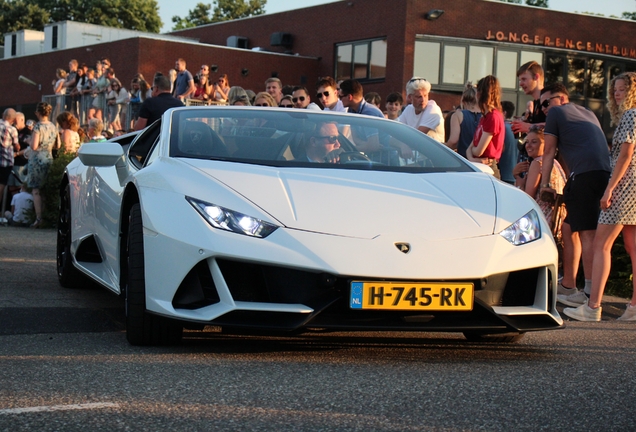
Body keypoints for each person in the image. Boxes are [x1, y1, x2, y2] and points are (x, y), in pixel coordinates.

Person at [563, 72, 636, 321]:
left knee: (601, 245)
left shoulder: (630, 115)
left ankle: (592, 307)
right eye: (615, 89)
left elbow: (625, 156)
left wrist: (609, 189)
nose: (617, 94)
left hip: (624, 186)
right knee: (632, 247)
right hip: (634, 187)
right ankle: (634, 307)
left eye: (623, 90)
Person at [539, 83, 612, 306]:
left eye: (546, 102)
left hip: (585, 175)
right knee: (569, 227)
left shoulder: (557, 112)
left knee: (588, 234)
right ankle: (569, 285)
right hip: (601, 173)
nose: (544, 108)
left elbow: (549, 151)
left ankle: (589, 293)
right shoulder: (588, 113)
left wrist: (544, 185)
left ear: (561, 98)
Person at [513, 126, 566, 235]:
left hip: (542, 220)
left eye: (534, 142)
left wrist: (518, 178)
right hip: (559, 219)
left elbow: (527, 199)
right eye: (527, 142)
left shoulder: (537, 163)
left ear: (545, 145)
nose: (528, 145)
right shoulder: (555, 163)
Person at [466, 75, 505, 179]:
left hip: (488, 165)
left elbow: (478, 150)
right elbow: (472, 147)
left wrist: (471, 154)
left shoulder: (493, 117)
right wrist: (471, 156)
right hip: (481, 163)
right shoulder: (485, 116)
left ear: (480, 94)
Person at [28, 102, 59, 228]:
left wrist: (29, 141)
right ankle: (46, 217)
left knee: (36, 190)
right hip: (49, 157)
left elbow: (34, 146)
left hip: (37, 160)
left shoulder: (38, 127)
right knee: (45, 189)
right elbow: (58, 145)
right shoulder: (53, 126)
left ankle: (39, 218)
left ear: (38, 113)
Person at [398, 77, 445, 142]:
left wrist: (402, 144)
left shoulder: (433, 109)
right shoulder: (408, 109)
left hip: (432, 152)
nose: (423, 100)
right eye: (418, 97)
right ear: (410, 97)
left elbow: (418, 137)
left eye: (425, 95)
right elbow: (395, 134)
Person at [445, 81, 481, 158]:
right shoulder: (488, 116)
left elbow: (453, 141)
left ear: (463, 101)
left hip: (464, 160)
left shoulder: (458, 115)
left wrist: (441, 147)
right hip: (484, 162)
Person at [511, 61, 546, 135]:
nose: (520, 84)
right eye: (520, 80)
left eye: (524, 79)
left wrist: (529, 127)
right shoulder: (536, 103)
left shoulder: (548, 101)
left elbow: (558, 125)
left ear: (536, 77)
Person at [0, 108, 19, 208]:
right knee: (2, 184)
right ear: (14, 119)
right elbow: (16, 145)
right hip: (5, 161)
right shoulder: (12, 129)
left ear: (3, 115)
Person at [499, 100, 520, 184]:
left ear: (504, 113)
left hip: (503, 173)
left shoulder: (502, 128)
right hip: (515, 174)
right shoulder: (517, 128)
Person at [11, 112, 31, 185]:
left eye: (16, 120)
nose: (14, 122)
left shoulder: (28, 131)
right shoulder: (13, 130)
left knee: (20, 184)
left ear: (22, 120)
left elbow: (30, 148)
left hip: (22, 163)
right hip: (12, 162)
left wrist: (17, 154)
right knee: (11, 185)